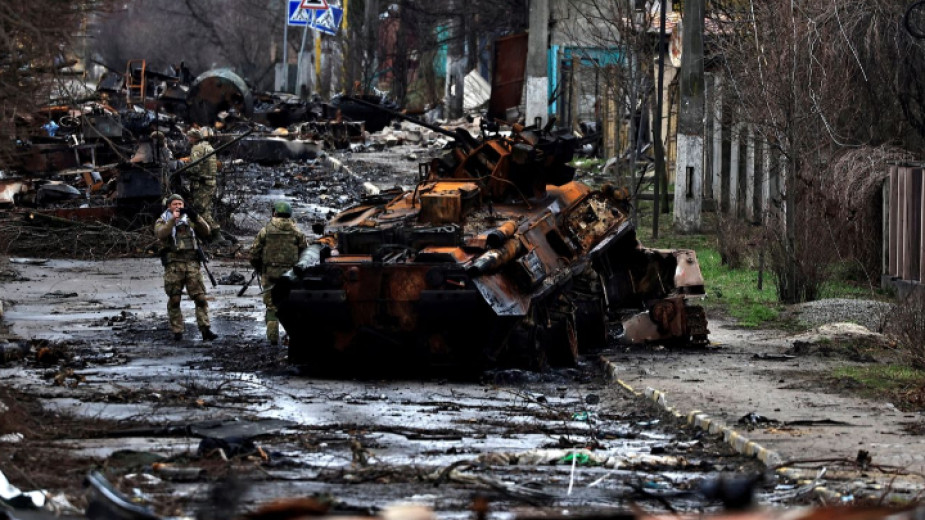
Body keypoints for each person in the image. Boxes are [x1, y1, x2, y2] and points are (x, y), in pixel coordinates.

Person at [154, 194, 218, 342]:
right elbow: (161, 234)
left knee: (200, 298)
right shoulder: (162, 219)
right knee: (175, 299)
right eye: (175, 204)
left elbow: (207, 231)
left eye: (180, 204)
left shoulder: (189, 220)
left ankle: (205, 329)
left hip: (191, 263)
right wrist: (172, 220)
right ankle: (177, 331)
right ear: (169, 206)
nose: (178, 207)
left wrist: (196, 217)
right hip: (174, 264)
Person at [249, 201, 307, 345]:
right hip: (291, 277)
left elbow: (254, 253)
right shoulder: (297, 232)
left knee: (271, 307)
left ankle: (273, 339)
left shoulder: (266, 231)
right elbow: (305, 254)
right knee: (290, 307)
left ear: (274, 213)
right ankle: (292, 338)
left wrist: (259, 267)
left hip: (270, 275)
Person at [184, 128, 224, 244]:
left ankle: (217, 235)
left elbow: (195, 168)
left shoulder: (197, 148)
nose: (188, 139)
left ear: (194, 138)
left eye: (189, 137)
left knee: (201, 210)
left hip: (202, 184)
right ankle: (209, 235)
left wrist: (185, 170)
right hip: (210, 183)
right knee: (206, 209)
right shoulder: (209, 147)